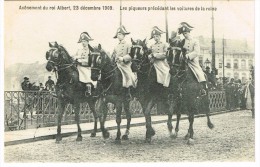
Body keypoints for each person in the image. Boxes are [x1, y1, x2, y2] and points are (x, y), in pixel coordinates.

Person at [178, 22, 207, 96]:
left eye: (186, 33)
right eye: (183, 33)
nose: (184, 35)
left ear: (189, 32)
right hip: (183, 61)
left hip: (192, 61)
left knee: (199, 72)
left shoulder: (195, 41)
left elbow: (197, 52)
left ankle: (202, 88)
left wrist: (188, 56)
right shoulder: (182, 41)